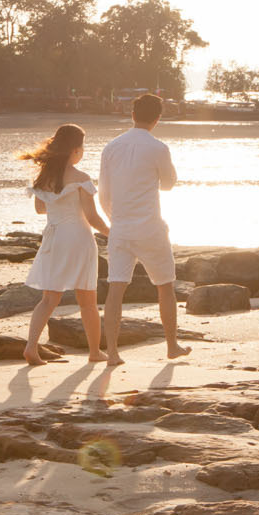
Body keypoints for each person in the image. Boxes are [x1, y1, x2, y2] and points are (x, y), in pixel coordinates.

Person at [98, 93, 191, 364]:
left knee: (116, 289)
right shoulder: (158, 147)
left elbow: (104, 192)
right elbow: (169, 184)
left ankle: (113, 352)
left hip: (121, 227)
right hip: (150, 226)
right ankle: (171, 345)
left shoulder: (111, 147)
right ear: (158, 118)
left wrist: (114, 219)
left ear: (132, 114)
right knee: (165, 286)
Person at [17, 124, 110, 365]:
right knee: (87, 301)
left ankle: (31, 347)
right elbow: (92, 217)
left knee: (49, 299)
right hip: (78, 238)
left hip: (54, 236)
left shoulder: (44, 176)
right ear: (76, 150)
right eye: (82, 148)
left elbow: (40, 209)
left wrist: (59, 203)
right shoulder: (81, 178)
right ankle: (94, 352)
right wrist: (112, 232)